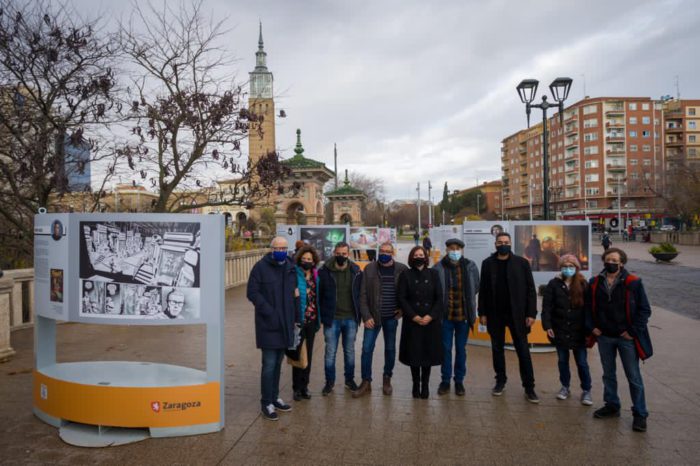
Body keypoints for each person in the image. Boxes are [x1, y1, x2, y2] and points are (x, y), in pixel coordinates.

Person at [586, 247, 652, 432]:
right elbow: (589, 307)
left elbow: (644, 310)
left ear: (622, 262)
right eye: (608, 259)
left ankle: (640, 413)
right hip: (605, 337)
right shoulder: (595, 282)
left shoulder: (633, 283)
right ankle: (612, 405)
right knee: (608, 374)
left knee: (633, 376)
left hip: (626, 338)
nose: (611, 263)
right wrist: (593, 327)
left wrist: (632, 331)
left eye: (615, 260)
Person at [478, 232, 540, 403]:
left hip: (517, 314)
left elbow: (530, 290)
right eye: (500, 242)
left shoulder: (521, 263)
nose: (503, 244)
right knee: (497, 349)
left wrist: (531, 313)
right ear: (495, 244)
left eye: (506, 242)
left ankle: (529, 387)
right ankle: (500, 381)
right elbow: (483, 290)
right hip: (494, 313)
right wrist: (482, 312)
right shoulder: (487, 264)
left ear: (511, 243)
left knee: (523, 350)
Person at [246, 237, 297, 421]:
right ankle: (266, 402)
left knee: (277, 365)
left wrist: (295, 319)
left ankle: (275, 397)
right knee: (268, 365)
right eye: (278, 247)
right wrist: (269, 311)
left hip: (285, 325)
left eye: (284, 247)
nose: (281, 250)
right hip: (268, 324)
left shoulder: (291, 267)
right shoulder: (260, 267)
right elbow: (251, 292)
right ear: (272, 249)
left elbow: (295, 294)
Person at [354, 242, 408, 398]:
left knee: (390, 349)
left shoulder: (401, 269)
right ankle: (366, 381)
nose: (384, 254)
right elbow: (362, 295)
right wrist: (366, 316)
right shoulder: (370, 268)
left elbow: (407, 293)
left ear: (393, 253)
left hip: (391, 317)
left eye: (387, 251)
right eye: (381, 251)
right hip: (373, 317)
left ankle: (387, 379)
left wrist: (402, 310)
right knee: (366, 349)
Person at [541, 254, 592, 406]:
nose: (568, 269)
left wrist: (589, 329)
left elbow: (589, 308)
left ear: (576, 268)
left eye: (571, 266)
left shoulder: (583, 284)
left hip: (579, 330)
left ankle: (586, 390)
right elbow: (547, 307)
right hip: (560, 329)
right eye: (565, 266)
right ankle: (565, 387)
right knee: (563, 361)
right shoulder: (554, 283)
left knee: (582, 362)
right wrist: (547, 326)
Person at [432, 238, 479, 396]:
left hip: (463, 317)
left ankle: (459, 381)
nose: (454, 251)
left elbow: (476, 286)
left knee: (461, 349)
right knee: (445, 349)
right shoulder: (438, 267)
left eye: (457, 248)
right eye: (451, 248)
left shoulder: (470, 266)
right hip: (445, 317)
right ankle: (445, 380)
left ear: (462, 250)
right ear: (446, 250)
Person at [398, 246, 443, 399]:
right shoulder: (405, 275)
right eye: (416, 255)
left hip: (430, 322)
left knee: (427, 355)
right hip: (413, 321)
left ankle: (425, 385)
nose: (419, 257)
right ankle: (415, 384)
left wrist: (431, 316)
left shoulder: (434, 274)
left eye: (421, 254)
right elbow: (402, 298)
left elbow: (439, 298)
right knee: (414, 355)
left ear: (426, 257)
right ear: (411, 257)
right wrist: (413, 316)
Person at [318, 241, 363, 395]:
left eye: (344, 254)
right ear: (334, 253)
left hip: (350, 319)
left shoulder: (356, 271)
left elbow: (360, 295)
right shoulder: (324, 271)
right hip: (332, 319)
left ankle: (349, 380)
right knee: (330, 352)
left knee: (349, 351)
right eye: (339, 254)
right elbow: (319, 295)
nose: (341, 256)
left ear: (348, 254)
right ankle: (329, 382)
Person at [292, 245, 321, 401]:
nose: (306, 261)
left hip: (312, 320)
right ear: (299, 259)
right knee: (297, 354)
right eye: (304, 259)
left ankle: (305, 386)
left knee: (308, 354)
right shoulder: (295, 275)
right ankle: (296, 387)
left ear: (314, 261)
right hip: (299, 321)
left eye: (309, 259)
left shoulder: (316, 276)